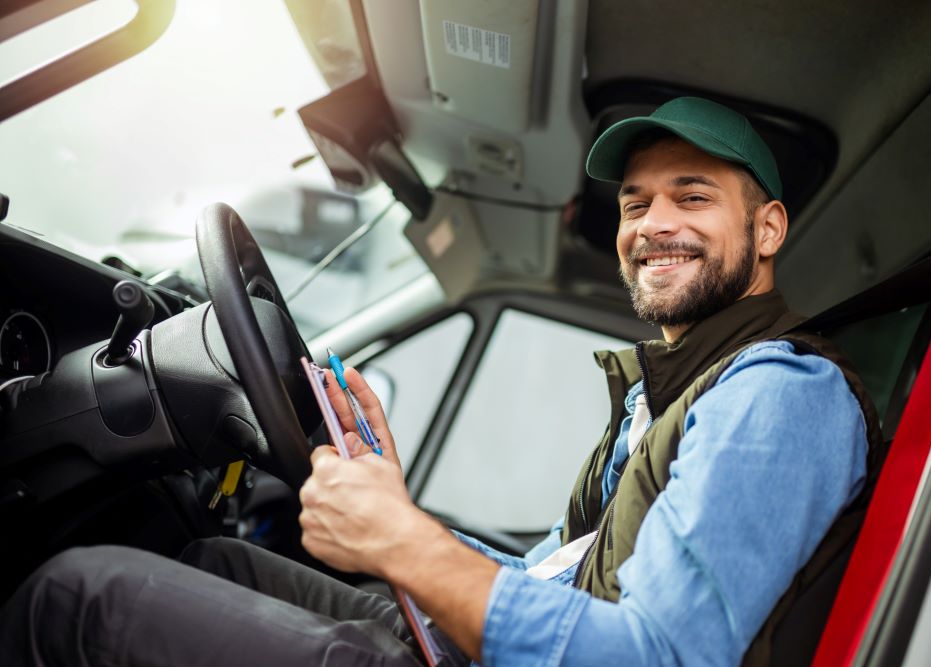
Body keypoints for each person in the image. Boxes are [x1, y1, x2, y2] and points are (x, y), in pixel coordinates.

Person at [0, 97, 881, 666]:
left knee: (80, 598)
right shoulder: (674, 389)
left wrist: (401, 544)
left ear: (767, 229)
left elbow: (652, 657)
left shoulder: (777, 394)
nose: (654, 224)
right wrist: (398, 503)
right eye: (636, 203)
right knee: (214, 556)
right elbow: (552, 585)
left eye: (693, 197)